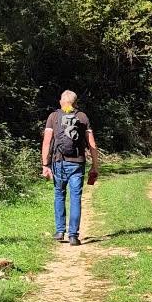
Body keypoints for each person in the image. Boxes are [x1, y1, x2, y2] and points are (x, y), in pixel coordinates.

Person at [41, 90, 98, 245]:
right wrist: (95, 166)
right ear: (75, 103)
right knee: (75, 197)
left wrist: (45, 165)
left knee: (59, 195)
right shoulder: (82, 117)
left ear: (61, 102)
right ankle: (73, 236)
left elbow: (46, 142)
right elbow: (92, 144)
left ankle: (60, 231)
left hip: (58, 162)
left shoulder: (53, 117)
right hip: (77, 163)